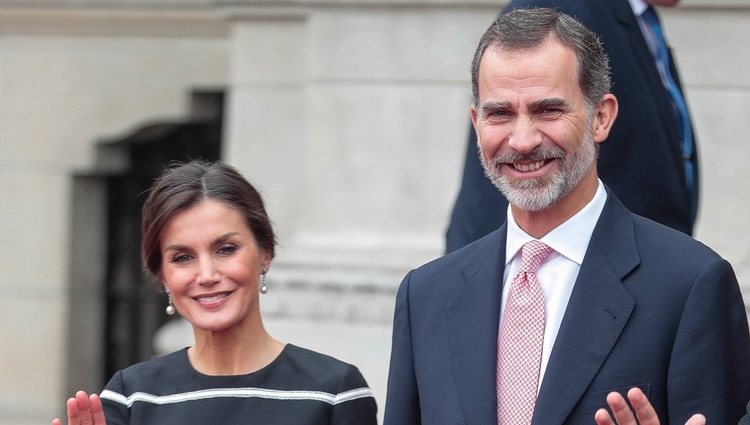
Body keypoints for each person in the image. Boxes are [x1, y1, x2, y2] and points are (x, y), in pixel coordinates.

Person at [383, 8, 750, 425]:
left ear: (601, 117)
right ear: (476, 121)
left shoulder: (689, 286)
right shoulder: (426, 296)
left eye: (548, 110)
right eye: (500, 113)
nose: (522, 140)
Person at [53, 160, 378, 425]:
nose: (207, 275)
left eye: (226, 249)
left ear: (265, 253)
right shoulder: (132, 396)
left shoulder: (334, 391)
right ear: (162, 275)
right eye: (182, 258)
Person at [445, 0, 699, 253]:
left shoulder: (641, 21)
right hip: (585, 271)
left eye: (548, 110)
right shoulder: (559, 9)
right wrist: (483, 281)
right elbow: (501, 183)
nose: (523, 140)